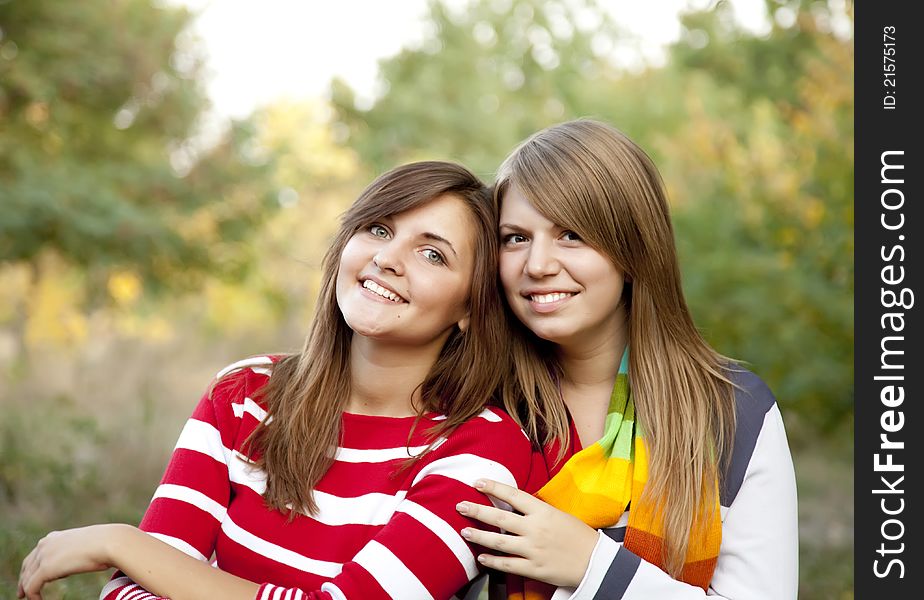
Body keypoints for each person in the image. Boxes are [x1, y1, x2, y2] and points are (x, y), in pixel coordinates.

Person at [18, 161, 537, 600]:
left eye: (432, 253)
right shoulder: (245, 392)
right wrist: (143, 560)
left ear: (471, 306)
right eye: (378, 228)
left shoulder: (483, 449)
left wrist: (122, 543)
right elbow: (134, 591)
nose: (386, 259)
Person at [454, 119, 799, 599]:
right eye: (516, 237)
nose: (537, 265)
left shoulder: (733, 412)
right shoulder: (478, 404)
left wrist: (591, 567)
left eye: (570, 234)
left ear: (634, 248)